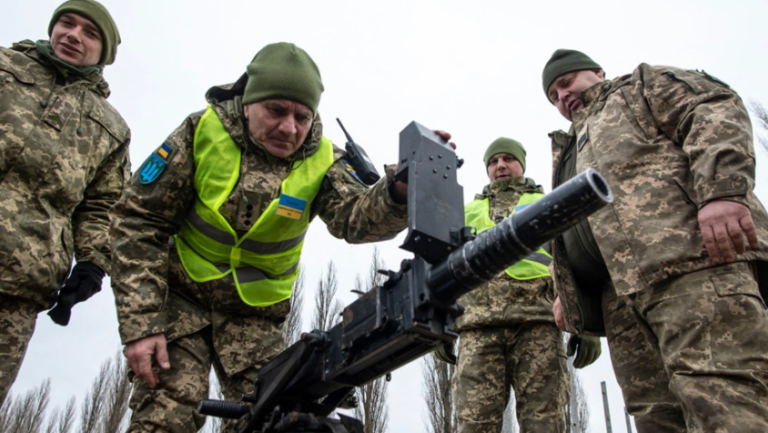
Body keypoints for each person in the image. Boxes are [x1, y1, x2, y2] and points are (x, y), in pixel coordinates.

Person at [110, 42, 451, 432]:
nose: (289, 127)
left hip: (255, 322)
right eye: (276, 110)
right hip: (179, 306)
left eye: (302, 116)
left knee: (276, 422)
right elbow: (137, 221)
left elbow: (354, 219)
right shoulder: (200, 132)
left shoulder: (322, 159)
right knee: (164, 418)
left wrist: (398, 190)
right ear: (247, 103)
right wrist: (142, 325)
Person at [543, 49, 768, 433]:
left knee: (722, 400)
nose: (563, 97)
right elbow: (571, 231)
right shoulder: (571, 148)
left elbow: (712, 108)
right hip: (621, 300)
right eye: (553, 96)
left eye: (567, 83)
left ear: (597, 72)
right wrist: (565, 290)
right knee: (656, 417)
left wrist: (722, 193)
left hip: (690, 264)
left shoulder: (640, 87)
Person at [0, 0, 129, 404]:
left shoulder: (111, 126)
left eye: (90, 33)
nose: (74, 35)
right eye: (67, 24)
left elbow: (101, 206)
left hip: (22, 282)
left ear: (104, 52)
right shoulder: (4, 69)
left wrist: (92, 263)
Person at [436, 138, 601, 433]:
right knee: (474, 424)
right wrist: (439, 329)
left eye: (507, 159)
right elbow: (444, 270)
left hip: (539, 323)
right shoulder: (464, 211)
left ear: (521, 164)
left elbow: (576, 261)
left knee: (545, 422)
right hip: (477, 327)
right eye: (493, 161)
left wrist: (587, 325)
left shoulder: (549, 203)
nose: (500, 165)